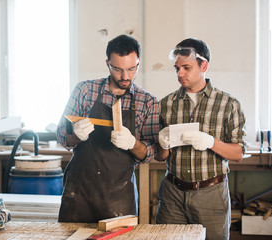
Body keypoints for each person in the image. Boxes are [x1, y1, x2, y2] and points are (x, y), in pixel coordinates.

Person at [56, 34, 159, 223]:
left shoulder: (148, 102)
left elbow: (151, 152)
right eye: (118, 69)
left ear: (139, 63)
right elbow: (62, 136)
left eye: (131, 68)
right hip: (79, 192)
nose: (125, 76)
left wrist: (132, 144)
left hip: (119, 196)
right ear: (107, 64)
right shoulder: (85, 90)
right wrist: (76, 135)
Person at [155, 38, 246, 240]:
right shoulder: (166, 104)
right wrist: (162, 144)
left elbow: (239, 153)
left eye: (186, 67)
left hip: (211, 194)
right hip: (172, 194)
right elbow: (161, 157)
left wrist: (211, 142)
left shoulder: (228, 104)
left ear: (203, 65)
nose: (180, 74)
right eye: (176, 68)